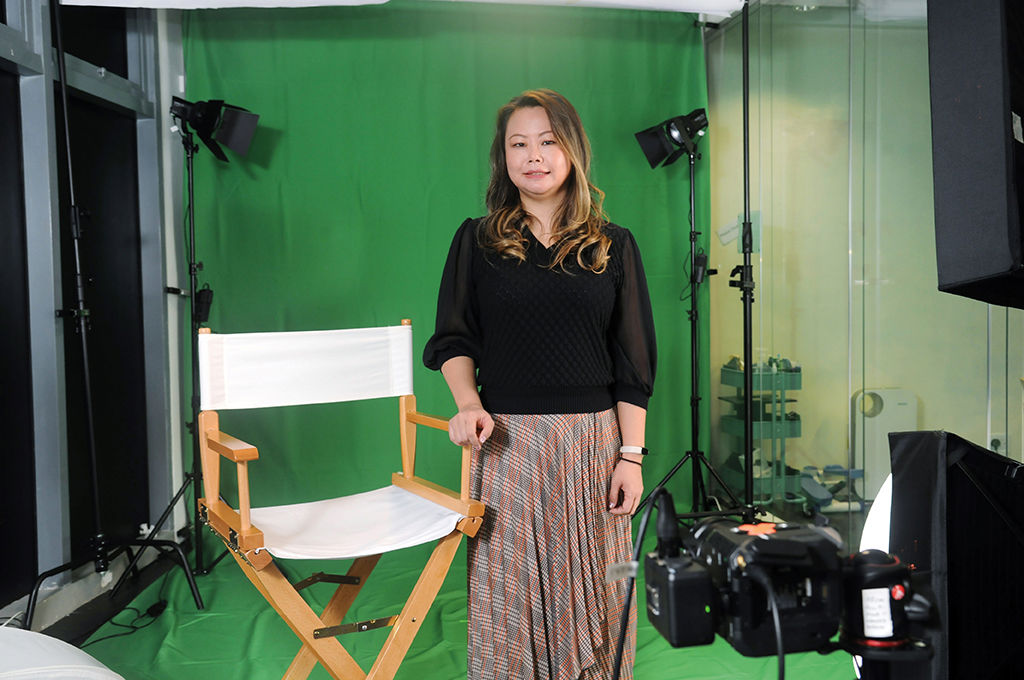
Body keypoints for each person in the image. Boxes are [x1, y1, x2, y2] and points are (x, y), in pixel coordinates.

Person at [423, 88, 656, 680]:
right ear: (502, 158)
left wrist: (631, 456)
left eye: (548, 142)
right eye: (518, 144)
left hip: (593, 448)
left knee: (607, 587)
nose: (534, 156)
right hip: (507, 446)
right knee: (508, 596)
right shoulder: (476, 240)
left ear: (572, 151)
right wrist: (467, 404)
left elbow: (632, 365)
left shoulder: (614, 245)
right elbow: (453, 339)